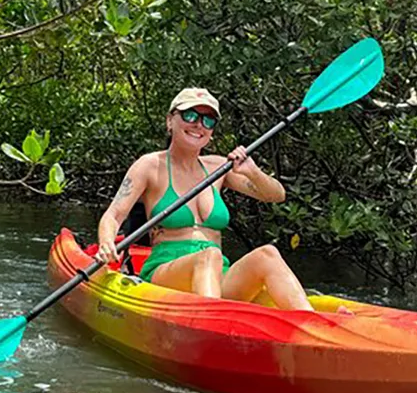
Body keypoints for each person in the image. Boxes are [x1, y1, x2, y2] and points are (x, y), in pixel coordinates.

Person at [95, 88, 315, 312]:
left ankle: (312, 325)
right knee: (208, 257)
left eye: (208, 120)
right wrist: (106, 243)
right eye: (190, 115)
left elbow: (277, 195)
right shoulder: (150, 165)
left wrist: (252, 172)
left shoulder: (219, 167)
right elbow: (113, 216)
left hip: (217, 274)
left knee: (268, 254)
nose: (199, 125)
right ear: (170, 121)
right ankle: (214, 325)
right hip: (166, 272)